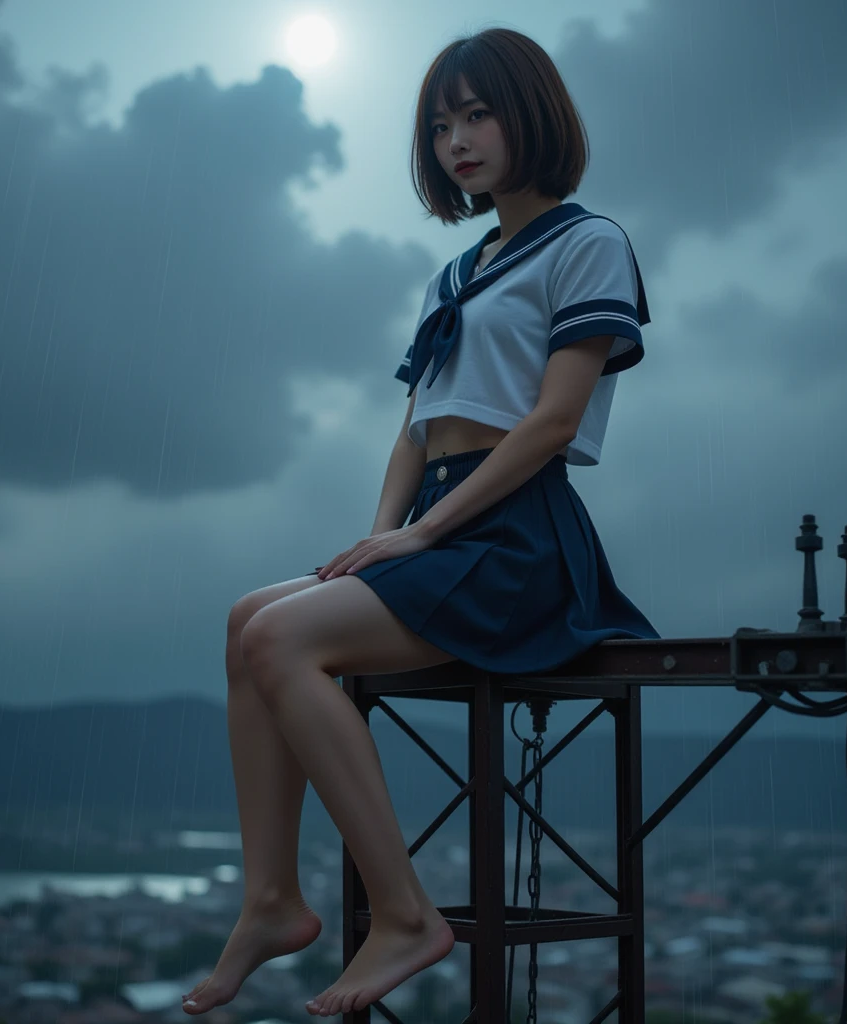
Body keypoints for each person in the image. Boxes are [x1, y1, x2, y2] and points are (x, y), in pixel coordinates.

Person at [181, 25, 660, 1019]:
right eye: (442, 124)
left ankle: (405, 913)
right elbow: (414, 432)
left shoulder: (590, 243)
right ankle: (270, 898)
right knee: (246, 620)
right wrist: (383, 536)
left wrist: (419, 541)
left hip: (516, 537)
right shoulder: (458, 272)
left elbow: (552, 421)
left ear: (531, 113)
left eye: (477, 113)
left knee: (280, 635)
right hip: (439, 524)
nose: (457, 141)